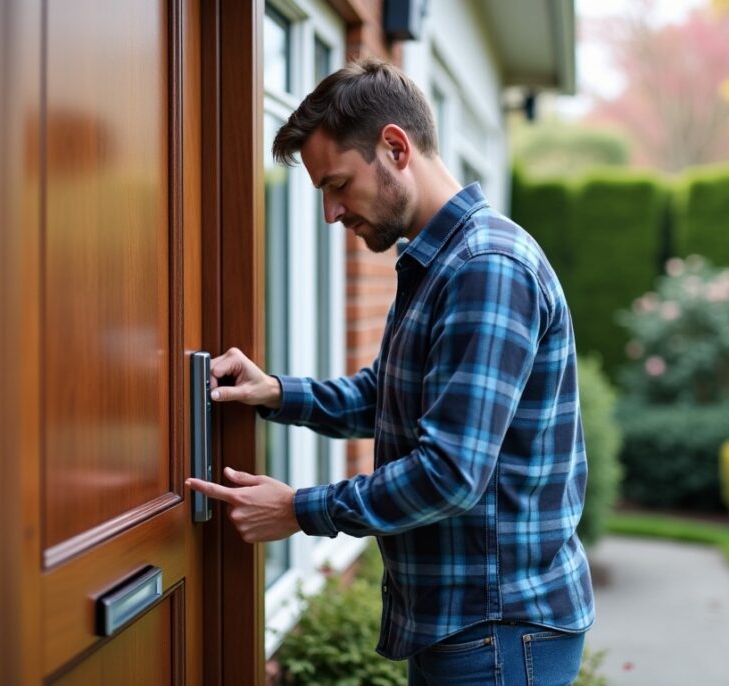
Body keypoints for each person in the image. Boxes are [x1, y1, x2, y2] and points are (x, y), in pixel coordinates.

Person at [186, 56, 593, 685]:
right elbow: (386, 398)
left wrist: (299, 509)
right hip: (468, 628)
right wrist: (273, 393)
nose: (330, 213)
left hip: (498, 635)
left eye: (338, 185)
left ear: (395, 148)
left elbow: (451, 475)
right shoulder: (438, 263)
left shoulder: (485, 266)